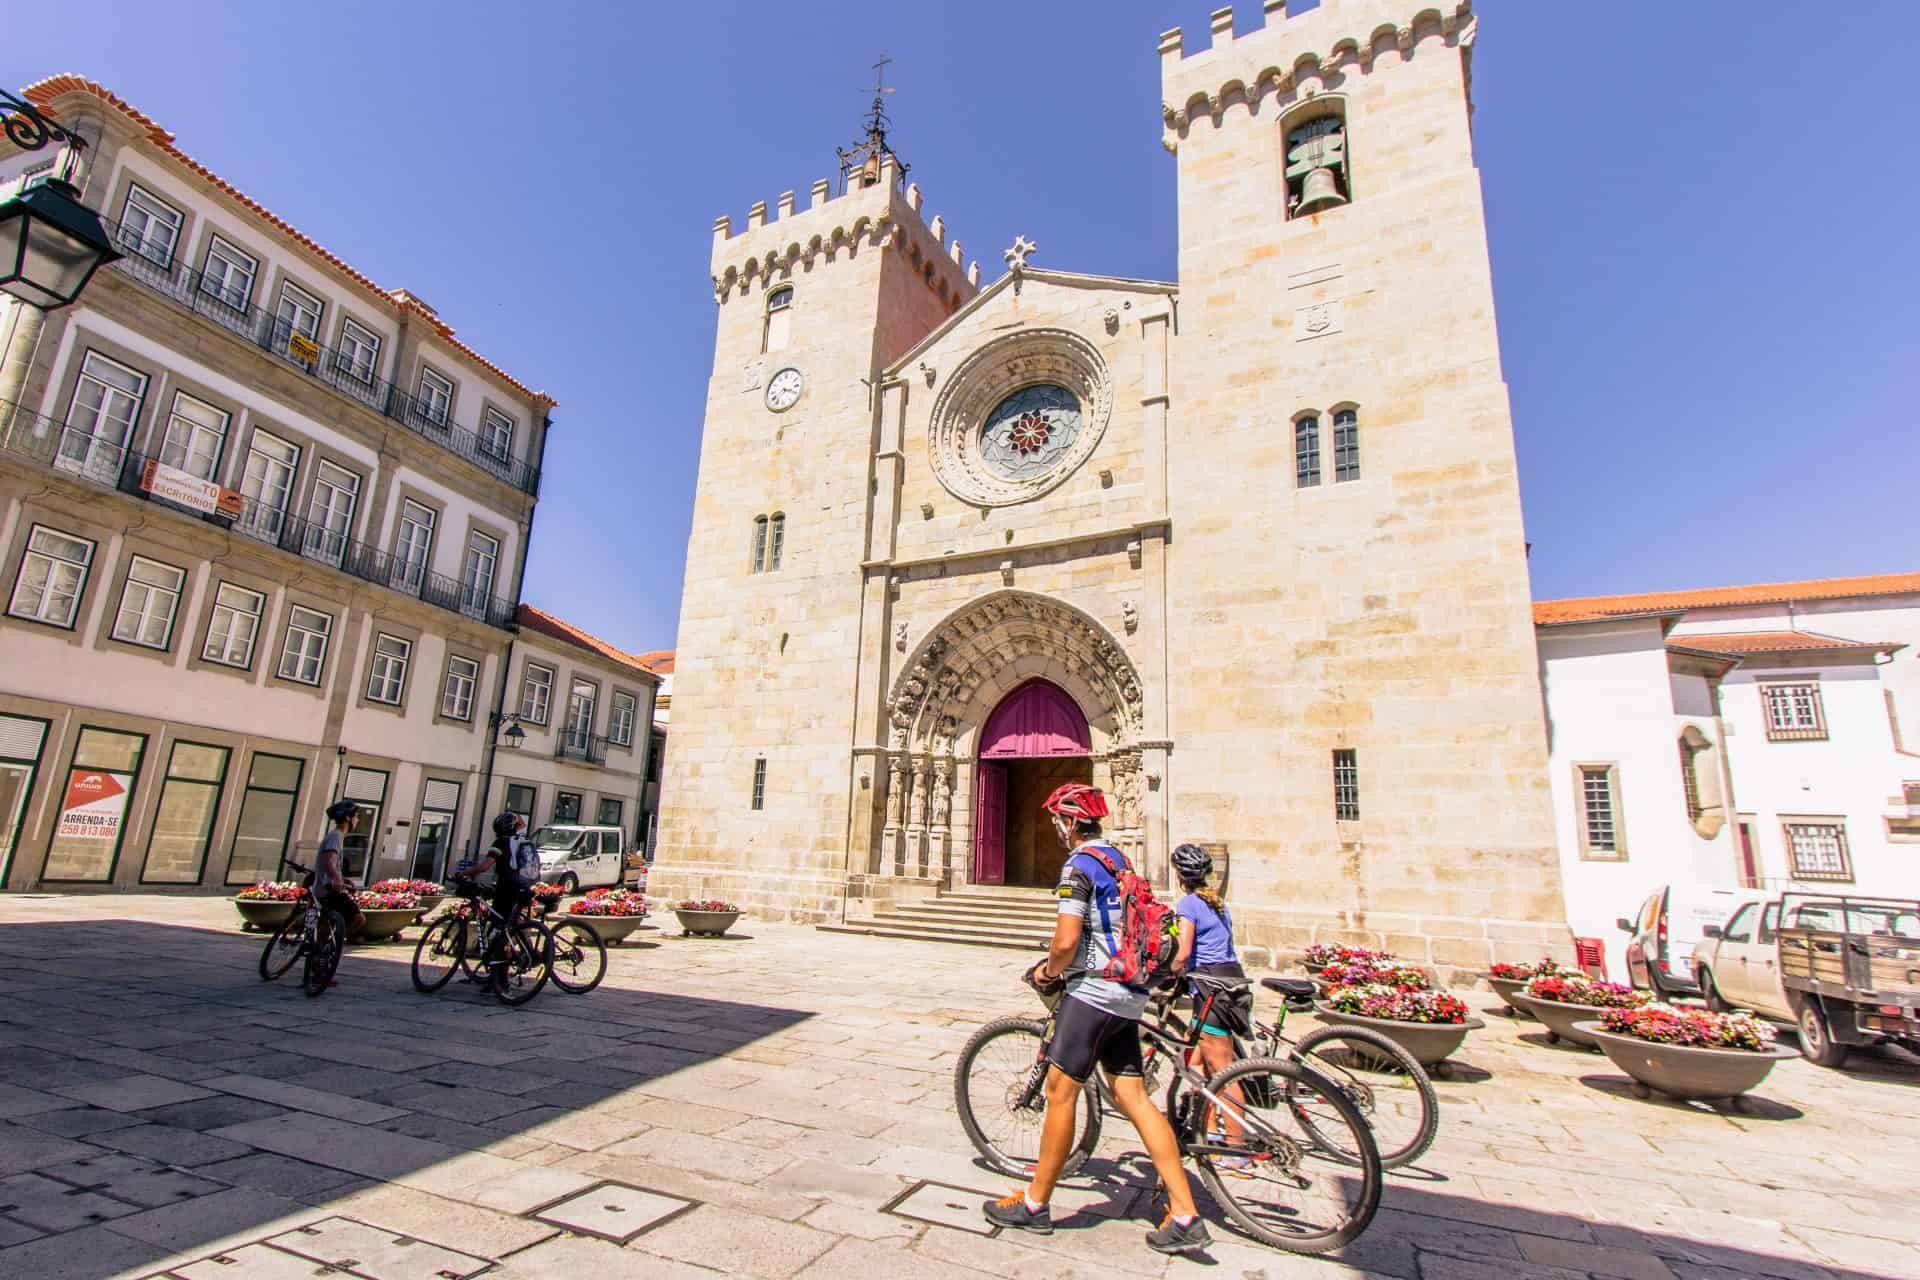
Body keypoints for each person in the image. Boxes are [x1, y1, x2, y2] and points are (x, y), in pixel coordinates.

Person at [983, 783, 1213, 1256]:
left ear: (1070, 823)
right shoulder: (1119, 860)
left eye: (1059, 822)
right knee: (1133, 1096)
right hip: (1130, 994)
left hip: (1094, 991)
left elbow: (1067, 941)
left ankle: (1034, 1202)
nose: (1057, 831)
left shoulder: (1080, 865)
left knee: (1059, 1093)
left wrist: (1047, 972)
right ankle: (1186, 1212)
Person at [1170, 842, 1254, 1172]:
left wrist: (1168, 972)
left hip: (1211, 988)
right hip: (1229, 982)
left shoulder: (1189, 904)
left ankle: (1238, 1149)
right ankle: (1202, 1130)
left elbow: (1184, 950)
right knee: (1195, 1062)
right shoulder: (1217, 904)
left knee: (1223, 1069)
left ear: (1180, 876)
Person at [457, 812, 539, 989]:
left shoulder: (500, 843)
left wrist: (463, 873)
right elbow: (522, 824)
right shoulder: (521, 840)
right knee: (512, 926)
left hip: (506, 890)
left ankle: (499, 980)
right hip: (524, 888)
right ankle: (529, 953)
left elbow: (485, 866)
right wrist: (516, 817)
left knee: (498, 933)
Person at [314, 799, 367, 957]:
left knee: (327, 922)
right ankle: (328, 948)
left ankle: (320, 952)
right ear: (348, 818)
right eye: (356, 816)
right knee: (358, 918)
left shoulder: (335, 836)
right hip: (328, 889)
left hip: (325, 887)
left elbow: (331, 862)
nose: (357, 819)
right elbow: (329, 859)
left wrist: (343, 879)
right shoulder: (336, 836)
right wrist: (336, 879)